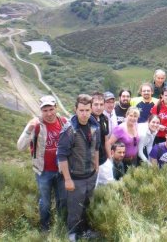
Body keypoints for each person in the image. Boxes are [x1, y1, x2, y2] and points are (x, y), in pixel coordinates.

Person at [17, 95, 67, 232]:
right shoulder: (36, 124)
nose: (49, 113)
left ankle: (60, 226)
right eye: (45, 110)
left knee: (62, 200)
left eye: (51, 109)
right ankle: (45, 229)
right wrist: (29, 129)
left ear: (56, 108)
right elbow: (20, 146)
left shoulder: (63, 122)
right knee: (45, 202)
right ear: (41, 111)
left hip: (61, 170)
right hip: (43, 171)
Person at [57, 94, 100, 241]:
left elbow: (96, 148)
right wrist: (67, 179)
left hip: (90, 175)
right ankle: (72, 234)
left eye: (87, 110)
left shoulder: (95, 125)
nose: (84, 114)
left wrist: (96, 167)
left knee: (87, 206)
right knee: (75, 209)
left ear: (91, 110)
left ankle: (85, 231)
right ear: (75, 109)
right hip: (75, 178)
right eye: (81, 110)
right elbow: (61, 156)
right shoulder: (69, 130)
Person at [106, 107, 140, 171]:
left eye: (135, 116)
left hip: (134, 160)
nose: (133, 118)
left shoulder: (136, 125)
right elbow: (109, 143)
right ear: (126, 115)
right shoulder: (120, 129)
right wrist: (110, 159)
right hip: (122, 161)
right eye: (131, 115)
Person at [91, 92, 110, 166]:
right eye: (96, 104)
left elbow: (106, 140)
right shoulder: (87, 120)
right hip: (91, 162)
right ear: (91, 105)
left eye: (101, 104)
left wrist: (110, 158)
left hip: (104, 160)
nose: (99, 107)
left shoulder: (104, 119)